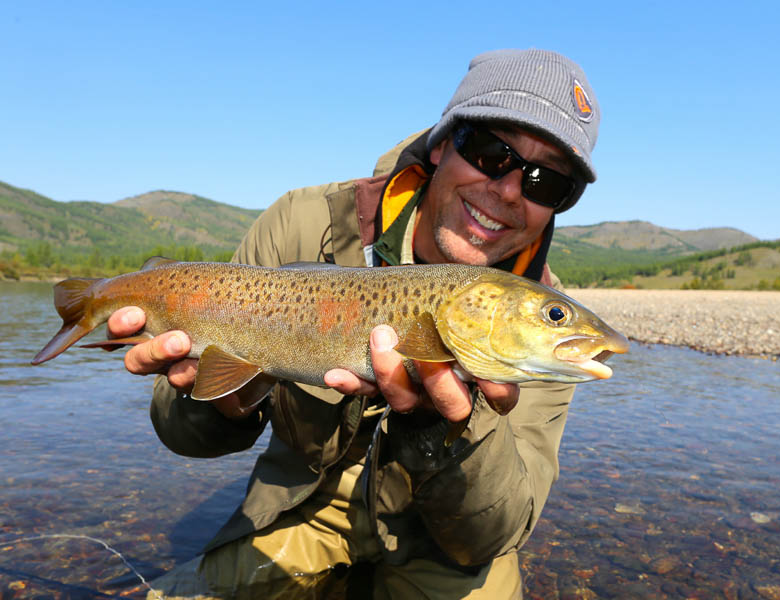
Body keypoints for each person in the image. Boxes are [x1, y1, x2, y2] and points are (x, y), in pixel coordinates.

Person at [110, 49, 600, 599]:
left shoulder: (545, 327)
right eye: (490, 151)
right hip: (300, 505)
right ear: (442, 144)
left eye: (545, 183)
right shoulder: (302, 222)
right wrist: (224, 400)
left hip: (439, 541)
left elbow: (495, 532)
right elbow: (182, 435)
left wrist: (443, 429)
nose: (510, 190)